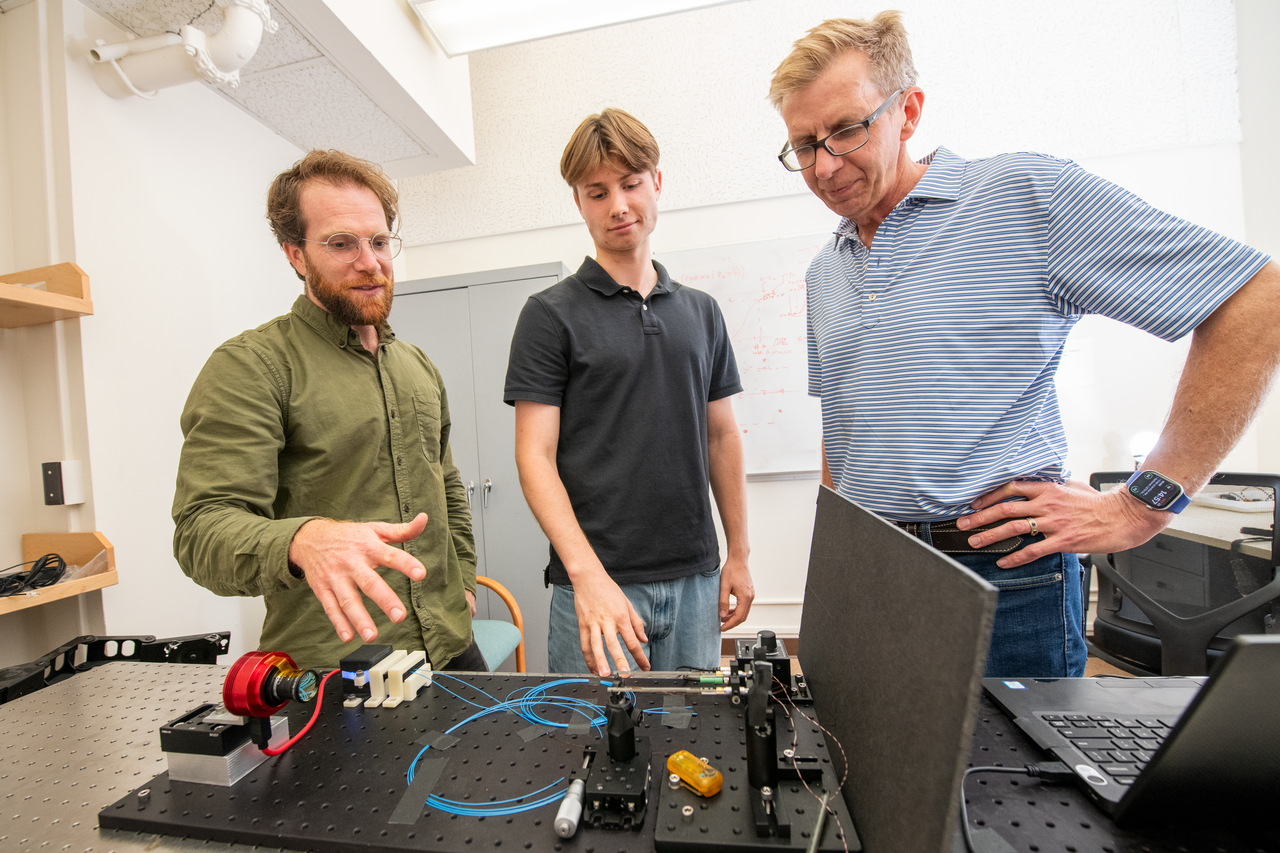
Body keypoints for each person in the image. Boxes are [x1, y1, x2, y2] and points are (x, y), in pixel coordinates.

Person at [769, 13, 1280, 677]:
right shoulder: (825, 270)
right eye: (803, 144)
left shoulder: (1022, 196)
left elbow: (1256, 298)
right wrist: (837, 569)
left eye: (846, 129)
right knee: (875, 777)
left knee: (1018, 781)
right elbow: (843, 432)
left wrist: (1144, 502)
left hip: (1003, 576)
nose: (825, 164)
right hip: (874, 574)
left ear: (909, 111)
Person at [173, 149, 485, 672]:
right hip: (337, 670)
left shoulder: (417, 366)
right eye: (341, 243)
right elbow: (200, 531)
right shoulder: (253, 366)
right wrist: (301, 537)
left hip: (452, 647)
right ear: (295, 254)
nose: (369, 261)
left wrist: (467, 585)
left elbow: (447, 485)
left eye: (380, 241)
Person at [505, 108, 755, 677]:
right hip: (597, 585)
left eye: (631, 184)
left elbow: (722, 435)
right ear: (579, 202)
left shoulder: (702, 312)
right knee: (592, 751)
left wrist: (738, 552)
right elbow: (534, 454)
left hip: (696, 581)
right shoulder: (549, 315)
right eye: (597, 192)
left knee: (690, 745)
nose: (618, 205)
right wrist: (587, 575)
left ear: (657, 183)